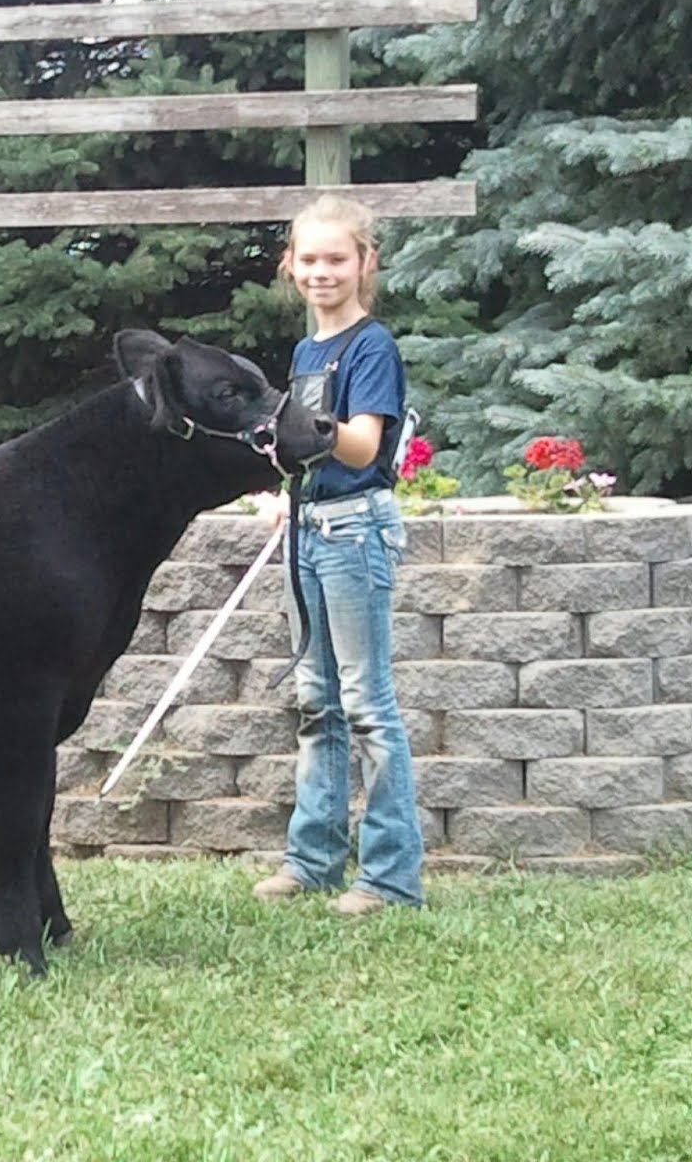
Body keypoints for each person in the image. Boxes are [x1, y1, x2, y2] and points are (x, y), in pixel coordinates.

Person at [251, 194, 423, 916]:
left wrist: (296, 421)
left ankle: (389, 878)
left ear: (364, 263)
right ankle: (313, 861)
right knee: (316, 702)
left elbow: (361, 445)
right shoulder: (306, 351)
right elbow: (305, 451)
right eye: (309, 260)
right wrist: (280, 483)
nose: (321, 273)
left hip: (357, 531)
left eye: (336, 259)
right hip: (310, 528)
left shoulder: (370, 346)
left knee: (367, 707)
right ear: (290, 266)